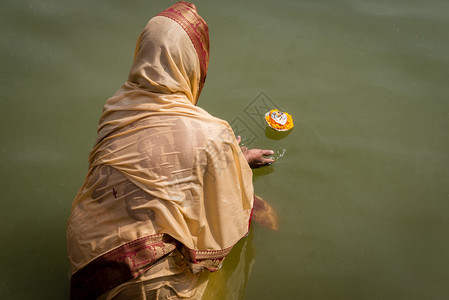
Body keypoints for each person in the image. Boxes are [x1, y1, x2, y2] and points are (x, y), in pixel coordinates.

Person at [67, 2, 275, 299]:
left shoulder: (117, 106)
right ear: (194, 65)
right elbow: (224, 211)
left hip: (84, 258)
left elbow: (153, 166)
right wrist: (235, 166)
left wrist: (225, 158)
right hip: (141, 283)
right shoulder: (212, 133)